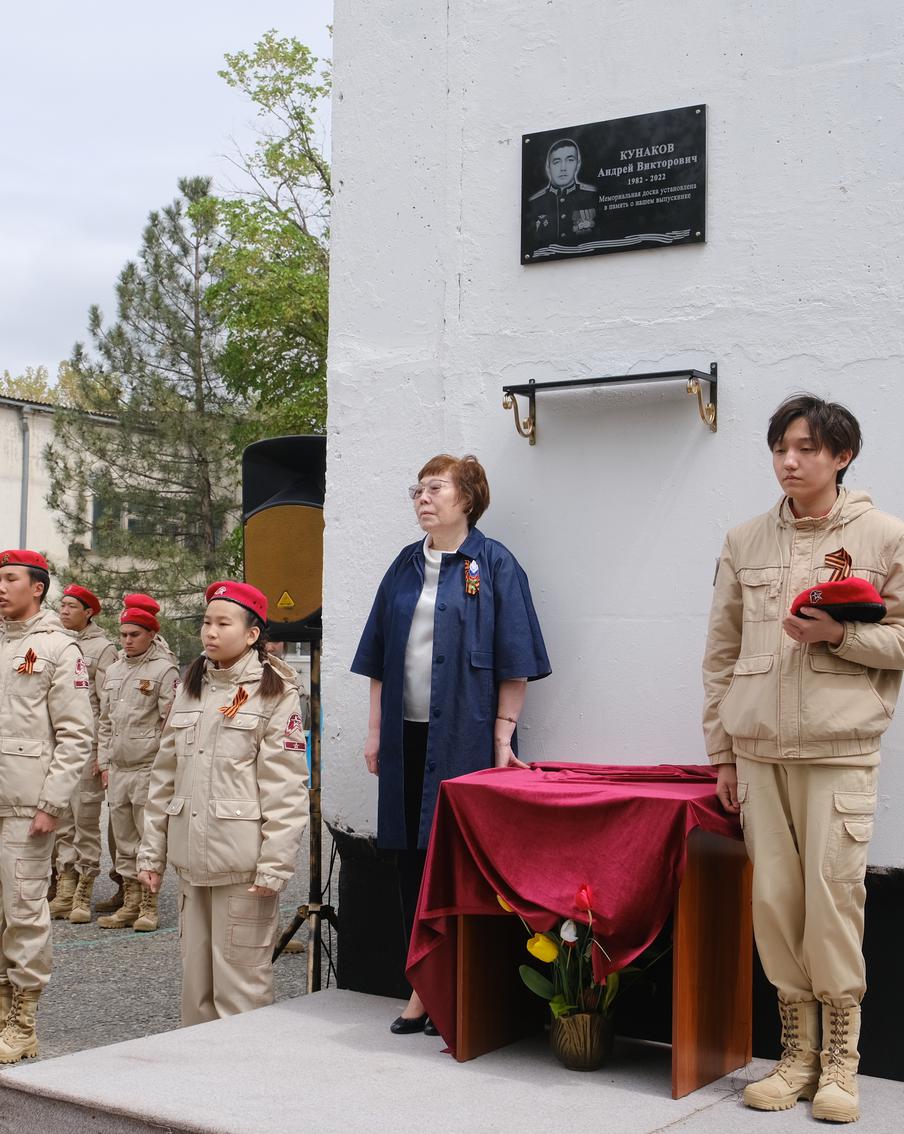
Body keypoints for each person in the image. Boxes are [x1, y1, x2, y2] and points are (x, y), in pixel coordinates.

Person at [702, 394, 904, 1123]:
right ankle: (795, 1055)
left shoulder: (884, 538)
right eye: (781, 448)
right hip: (758, 752)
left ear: (841, 456)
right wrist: (722, 751)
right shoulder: (744, 539)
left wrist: (839, 637)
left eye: (807, 449)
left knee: (832, 901)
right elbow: (721, 653)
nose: (790, 461)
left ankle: (841, 1062)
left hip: (839, 750)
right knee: (775, 903)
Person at [352, 454, 551, 1034]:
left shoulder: (495, 565)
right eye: (417, 488)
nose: (422, 497)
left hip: (465, 739)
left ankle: (463, 987)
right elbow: (378, 659)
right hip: (405, 737)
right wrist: (374, 731)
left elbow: (516, 660)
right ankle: (422, 986)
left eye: (435, 488)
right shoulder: (403, 566)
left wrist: (502, 738)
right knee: (411, 859)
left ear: (467, 499)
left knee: (462, 863)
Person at [137, 581, 309, 1025]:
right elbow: (164, 778)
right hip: (192, 866)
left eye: (222, 623)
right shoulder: (192, 686)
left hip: (243, 869)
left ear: (252, 634)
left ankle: (243, 1086)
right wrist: (151, 854)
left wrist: (274, 867)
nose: (210, 632)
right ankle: (198, 1085)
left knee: (240, 994)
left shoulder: (276, 692)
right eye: (206, 622)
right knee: (196, 993)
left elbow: (285, 788)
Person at [0, 550, 94, 1063]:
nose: (1, 586)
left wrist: (51, 804)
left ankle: (24, 1022)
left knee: (24, 912)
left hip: (25, 807)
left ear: (37, 587)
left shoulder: (60, 649)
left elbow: (76, 736)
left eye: (11, 578)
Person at [96, 596, 179, 932]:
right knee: (123, 839)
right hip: (118, 768)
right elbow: (105, 721)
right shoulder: (114, 669)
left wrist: (164, 769)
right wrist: (103, 762)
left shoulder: (164, 670)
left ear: (150, 635)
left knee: (149, 838)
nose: (127, 640)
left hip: (147, 767)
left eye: (134, 634)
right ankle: (129, 901)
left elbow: (170, 723)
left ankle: (149, 903)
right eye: (124, 634)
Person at [49, 584, 117, 924]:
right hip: (60, 744)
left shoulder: (103, 649)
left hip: (88, 744)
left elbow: (108, 705)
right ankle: (65, 887)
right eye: (61, 605)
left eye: (71, 606)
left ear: (88, 612)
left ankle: (83, 891)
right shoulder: (58, 643)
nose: (63, 610)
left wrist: (102, 754)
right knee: (61, 819)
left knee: (86, 821)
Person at [526, 137, 599, 249]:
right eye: (556, 162)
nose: (563, 168)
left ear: (578, 164)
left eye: (570, 160)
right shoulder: (534, 203)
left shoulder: (592, 196)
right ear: (548, 167)